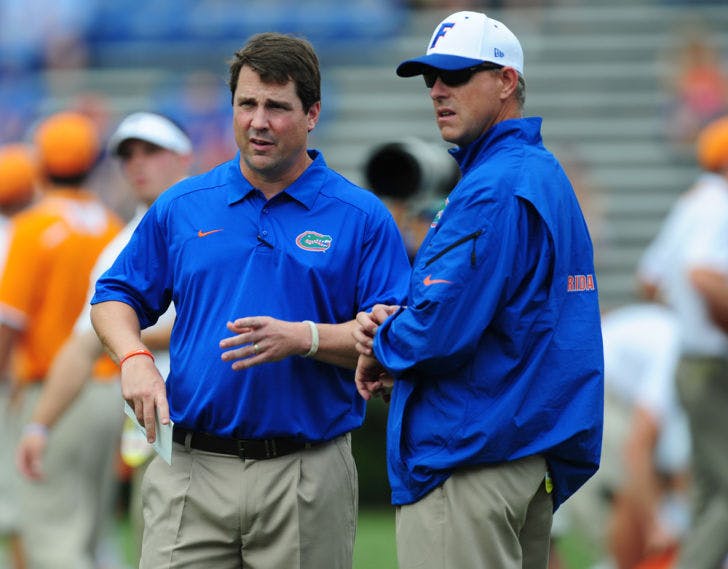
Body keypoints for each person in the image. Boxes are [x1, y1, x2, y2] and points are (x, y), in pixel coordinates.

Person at [90, 32, 411, 569]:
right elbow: (114, 297)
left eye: (277, 107)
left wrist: (304, 338)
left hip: (305, 472)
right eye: (247, 104)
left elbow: (394, 340)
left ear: (312, 114)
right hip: (189, 467)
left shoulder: (360, 217)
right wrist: (136, 358)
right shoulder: (183, 205)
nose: (259, 121)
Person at [352, 11, 604, 569]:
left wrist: (382, 344)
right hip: (522, 454)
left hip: (470, 458)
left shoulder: (492, 185)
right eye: (430, 78)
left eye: (458, 74)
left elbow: (436, 331)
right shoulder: (541, 171)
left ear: (507, 81)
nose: (438, 90)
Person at [15, 111, 194, 564]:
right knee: (141, 544)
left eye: (152, 151)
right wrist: (41, 423)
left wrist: (132, 337)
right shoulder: (113, 235)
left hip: (205, 416)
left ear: (182, 157)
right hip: (149, 420)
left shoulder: (37, 226)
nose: (138, 163)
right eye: (128, 154)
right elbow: (84, 339)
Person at [0, 111, 122, 569]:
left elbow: (8, 323)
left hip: (52, 389)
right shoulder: (111, 224)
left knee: (52, 537)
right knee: (91, 534)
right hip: (108, 388)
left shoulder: (32, 228)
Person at [638, 114, 728, 569]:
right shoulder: (720, 204)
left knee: (710, 491)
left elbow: (650, 280)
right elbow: (701, 272)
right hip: (714, 365)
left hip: (689, 360)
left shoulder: (693, 203)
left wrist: (687, 315)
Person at [0, 143, 38, 569]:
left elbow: (8, 322)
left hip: (17, 379)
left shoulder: (25, 233)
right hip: (44, 372)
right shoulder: (34, 226)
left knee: (17, 505)